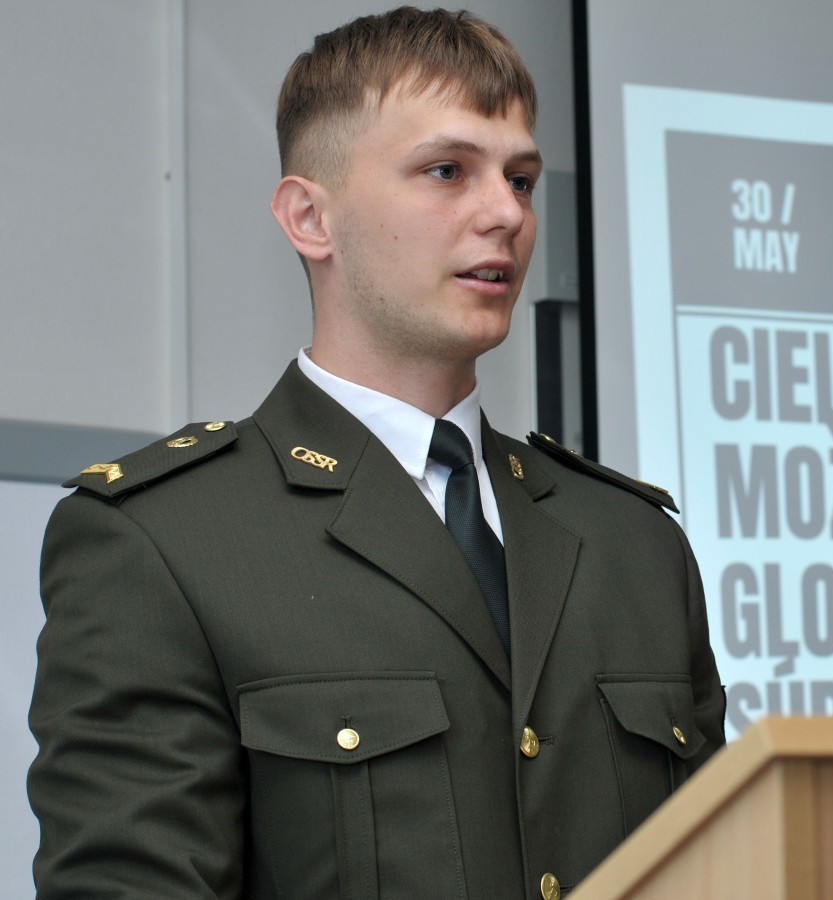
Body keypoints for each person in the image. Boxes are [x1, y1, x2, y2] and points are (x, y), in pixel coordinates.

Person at [28, 8, 725, 898]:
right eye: (447, 171)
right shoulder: (162, 542)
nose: (505, 213)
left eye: (520, 179)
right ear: (309, 217)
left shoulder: (633, 541)